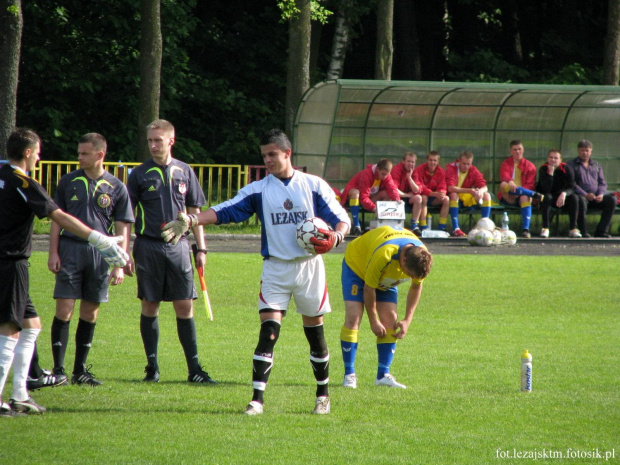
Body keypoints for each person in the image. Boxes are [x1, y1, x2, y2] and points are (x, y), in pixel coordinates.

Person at [161, 128, 351, 415]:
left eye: (272, 154)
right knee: (268, 332)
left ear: (287, 154)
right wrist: (190, 219)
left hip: (309, 269)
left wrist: (336, 236)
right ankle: (257, 400)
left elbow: (341, 219)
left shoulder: (313, 185)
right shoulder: (260, 189)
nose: (268, 160)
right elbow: (226, 210)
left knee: (315, 335)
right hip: (275, 268)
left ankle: (322, 396)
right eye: (264, 156)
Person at [0, 128, 128, 417]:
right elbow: (59, 216)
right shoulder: (24, 181)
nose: (40, 158)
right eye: (38, 152)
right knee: (9, 330)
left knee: (31, 325)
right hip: (10, 263)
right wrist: (99, 238)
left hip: (9, 263)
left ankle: (20, 394)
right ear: (29, 153)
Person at [127, 119, 215, 384]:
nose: (153, 145)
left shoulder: (185, 171)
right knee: (150, 304)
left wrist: (201, 249)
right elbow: (126, 216)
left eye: (158, 140)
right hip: (148, 246)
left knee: (184, 305)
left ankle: (194, 369)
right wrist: (124, 251)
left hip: (179, 247)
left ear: (170, 141)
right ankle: (152, 367)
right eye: (150, 141)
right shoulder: (139, 174)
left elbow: (195, 213)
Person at [47, 133, 134, 386]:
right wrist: (53, 252)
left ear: (100, 155)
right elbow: (56, 219)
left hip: (100, 256)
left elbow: (122, 227)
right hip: (70, 250)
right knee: (64, 308)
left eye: (84, 154)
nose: (79, 158)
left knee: (90, 311)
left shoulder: (117, 187)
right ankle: (59, 369)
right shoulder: (68, 182)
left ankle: (80, 370)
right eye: (79, 153)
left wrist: (119, 264)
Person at [340, 225, 433, 390]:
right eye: (409, 274)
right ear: (403, 260)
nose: (411, 278)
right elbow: (369, 289)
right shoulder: (385, 254)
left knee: (390, 321)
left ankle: (383, 375)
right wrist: (374, 321)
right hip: (357, 266)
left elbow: (416, 286)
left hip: (386, 274)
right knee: (354, 318)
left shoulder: (421, 255)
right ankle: (349, 375)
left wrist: (407, 320)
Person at [568, 140, 617, 238]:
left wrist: (601, 194)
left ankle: (601, 231)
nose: (585, 153)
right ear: (578, 151)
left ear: (591, 151)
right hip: (581, 196)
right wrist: (585, 194)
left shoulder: (596, 165)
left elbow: (602, 182)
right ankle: (583, 231)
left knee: (612, 199)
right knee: (580, 201)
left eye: (587, 150)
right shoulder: (572, 165)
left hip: (596, 197)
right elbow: (572, 184)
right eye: (582, 150)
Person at [340, 158, 400, 235]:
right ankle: (356, 225)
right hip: (355, 197)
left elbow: (392, 189)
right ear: (377, 169)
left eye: (387, 174)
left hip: (369, 198)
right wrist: (375, 208)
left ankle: (380, 222)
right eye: (383, 174)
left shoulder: (386, 176)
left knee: (388, 194)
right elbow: (363, 197)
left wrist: (398, 200)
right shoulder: (366, 174)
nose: (385, 177)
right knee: (356, 193)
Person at [497, 140, 544, 238]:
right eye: (515, 150)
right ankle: (534, 195)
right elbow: (504, 177)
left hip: (522, 196)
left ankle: (525, 229)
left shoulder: (530, 166)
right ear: (511, 151)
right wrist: (510, 181)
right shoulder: (506, 164)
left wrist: (518, 193)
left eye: (519, 149)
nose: (517, 152)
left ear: (523, 150)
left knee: (524, 197)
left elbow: (530, 185)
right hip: (508, 196)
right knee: (502, 185)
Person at [445, 151, 492, 237]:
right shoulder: (451, 168)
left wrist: (480, 192)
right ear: (459, 161)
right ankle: (456, 228)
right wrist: (470, 191)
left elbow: (484, 186)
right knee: (453, 194)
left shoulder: (473, 170)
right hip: (454, 198)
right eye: (464, 164)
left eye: (468, 164)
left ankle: (486, 227)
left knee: (487, 195)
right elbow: (450, 188)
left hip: (466, 197)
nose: (466, 166)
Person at [535, 149, 581, 238]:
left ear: (560, 160)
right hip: (549, 197)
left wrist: (564, 193)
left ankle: (573, 228)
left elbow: (571, 187)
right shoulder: (543, 169)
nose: (553, 160)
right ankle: (545, 228)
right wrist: (550, 174)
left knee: (574, 198)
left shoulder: (566, 168)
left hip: (562, 197)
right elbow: (546, 189)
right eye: (551, 157)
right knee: (547, 197)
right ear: (548, 159)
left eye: (556, 158)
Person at [412, 151, 449, 232]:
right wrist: (432, 193)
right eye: (430, 160)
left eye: (435, 160)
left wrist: (442, 193)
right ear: (426, 160)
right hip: (423, 196)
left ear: (438, 161)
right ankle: (423, 225)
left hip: (434, 198)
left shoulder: (441, 172)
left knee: (446, 199)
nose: (432, 162)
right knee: (424, 198)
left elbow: (443, 186)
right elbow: (420, 187)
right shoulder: (419, 170)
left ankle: (442, 227)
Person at [390, 152, 423, 234]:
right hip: (398, 197)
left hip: (408, 198)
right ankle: (395, 225)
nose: (410, 164)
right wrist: (407, 195)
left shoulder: (415, 171)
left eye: (412, 162)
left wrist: (409, 178)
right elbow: (393, 189)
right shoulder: (397, 169)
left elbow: (417, 190)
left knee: (419, 198)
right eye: (408, 161)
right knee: (390, 196)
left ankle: (414, 225)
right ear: (403, 161)